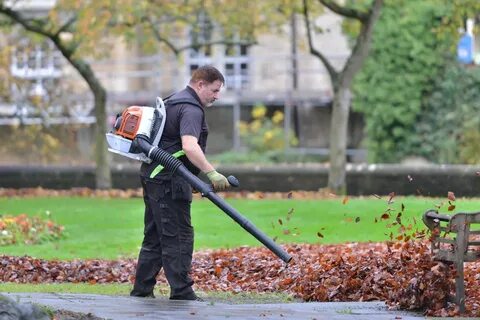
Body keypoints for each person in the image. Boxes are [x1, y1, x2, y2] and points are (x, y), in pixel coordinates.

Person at [130, 65, 230, 301]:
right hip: (169, 181)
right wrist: (211, 173)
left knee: (154, 236)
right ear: (200, 84)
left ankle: (142, 291)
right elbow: (189, 145)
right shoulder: (191, 109)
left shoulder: (173, 101)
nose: (217, 96)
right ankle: (183, 293)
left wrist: (192, 177)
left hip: (154, 176)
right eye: (214, 90)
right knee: (178, 236)